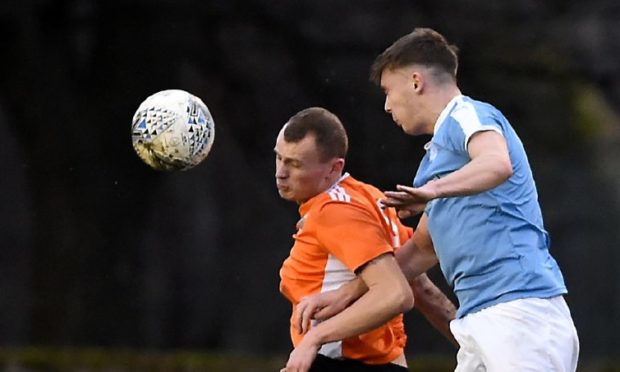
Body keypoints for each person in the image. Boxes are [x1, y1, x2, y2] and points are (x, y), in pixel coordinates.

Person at [305, 28, 580, 371]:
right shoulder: (436, 162)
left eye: (389, 91)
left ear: (416, 81)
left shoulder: (468, 115)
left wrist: (433, 192)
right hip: (478, 318)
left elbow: (497, 163)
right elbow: (421, 249)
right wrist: (347, 294)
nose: (388, 105)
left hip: (520, 311)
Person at [275, 107, 457, 372]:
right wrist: (475, 348)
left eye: (294, 164)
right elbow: (423, 290)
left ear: (333, 168)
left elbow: (396, 294)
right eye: (279, 158)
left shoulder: (335, 212)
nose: (281, 172)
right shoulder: (370, 198)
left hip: (342, 362)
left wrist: (315, 338)